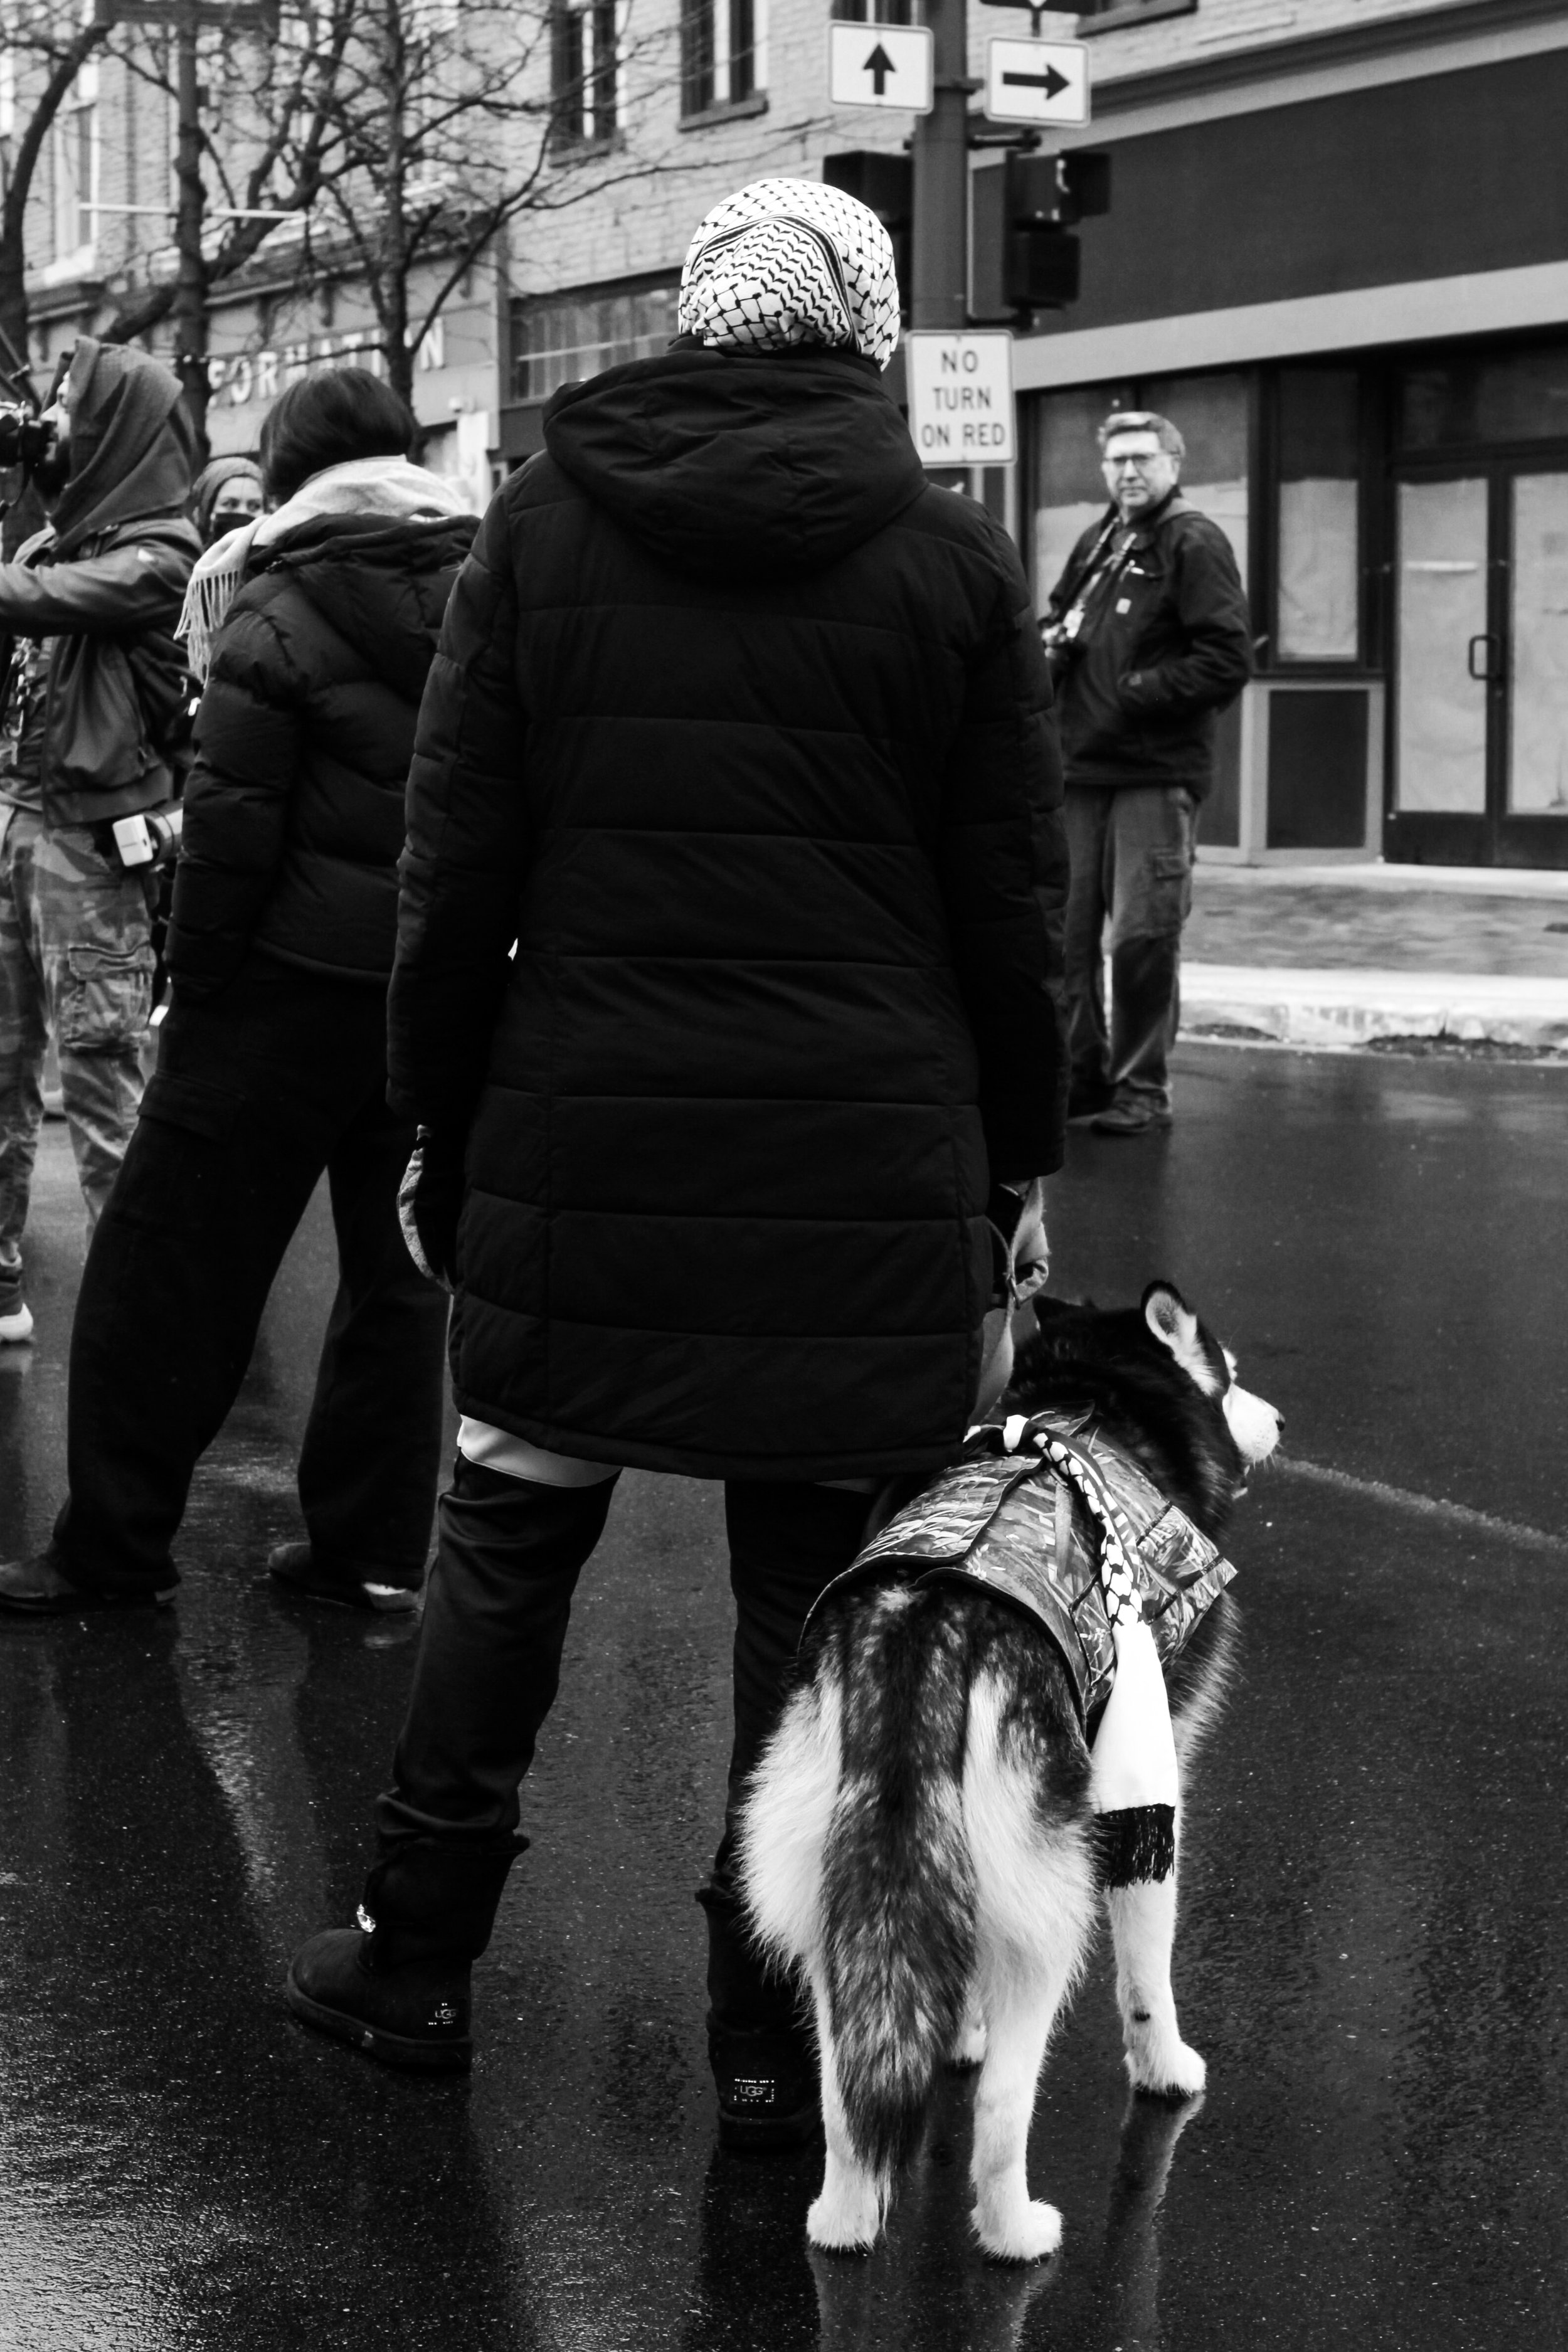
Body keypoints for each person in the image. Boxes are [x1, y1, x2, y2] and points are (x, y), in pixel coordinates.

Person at [282, 179, 1069, 2144]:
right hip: (861, 1153)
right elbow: (1006, 909)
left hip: (579, 1126)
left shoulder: (540, 528)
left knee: (506, 1533)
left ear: (699, 312)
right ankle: (765, 2014)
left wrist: (437, 1127)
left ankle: (416, 1945)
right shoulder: (954, 565)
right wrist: (1009, 1163)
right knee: (812, 1591)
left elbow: (451, 880)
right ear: (863, 324)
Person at [0, 366, 477, 1616]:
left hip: (282, 987)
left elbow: (231, 827)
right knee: (397, 1277)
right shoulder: (495, 591)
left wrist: (191, 988)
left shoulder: (263, 598)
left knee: (166, 1264)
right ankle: (370, 1554)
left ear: (288, 469)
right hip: (433, 987)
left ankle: (112, 1546)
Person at [0, 339, 198, 1345]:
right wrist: (31, 486)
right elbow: (29, 573)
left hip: (90, 849)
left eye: (76, 413)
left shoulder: (163, 557)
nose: (58, 427)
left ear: (121, 428)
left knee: (102, 1082)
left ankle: (143, 1321)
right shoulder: (68, 538)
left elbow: (37, 598)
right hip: (16, 828)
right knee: (1, 1071)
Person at [1041, 409, 1252, 1138]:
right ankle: (1084, 1078)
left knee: (1140, 938)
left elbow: (1227, 659)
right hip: (1077, 773)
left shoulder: (1191, 540)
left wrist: (1137, 692)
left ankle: (1141, 1088)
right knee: (1064, 942)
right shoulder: (1101, 539)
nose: (1127, 472)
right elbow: (1060, 617)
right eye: (1116, 461)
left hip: (1152, 778)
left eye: (1141, 459)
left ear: (1173, 464)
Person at [191, 454, 265, 546]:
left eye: (255, 506)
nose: (243, 512)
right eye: (230, 504)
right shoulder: (186, 558)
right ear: (207, 511)